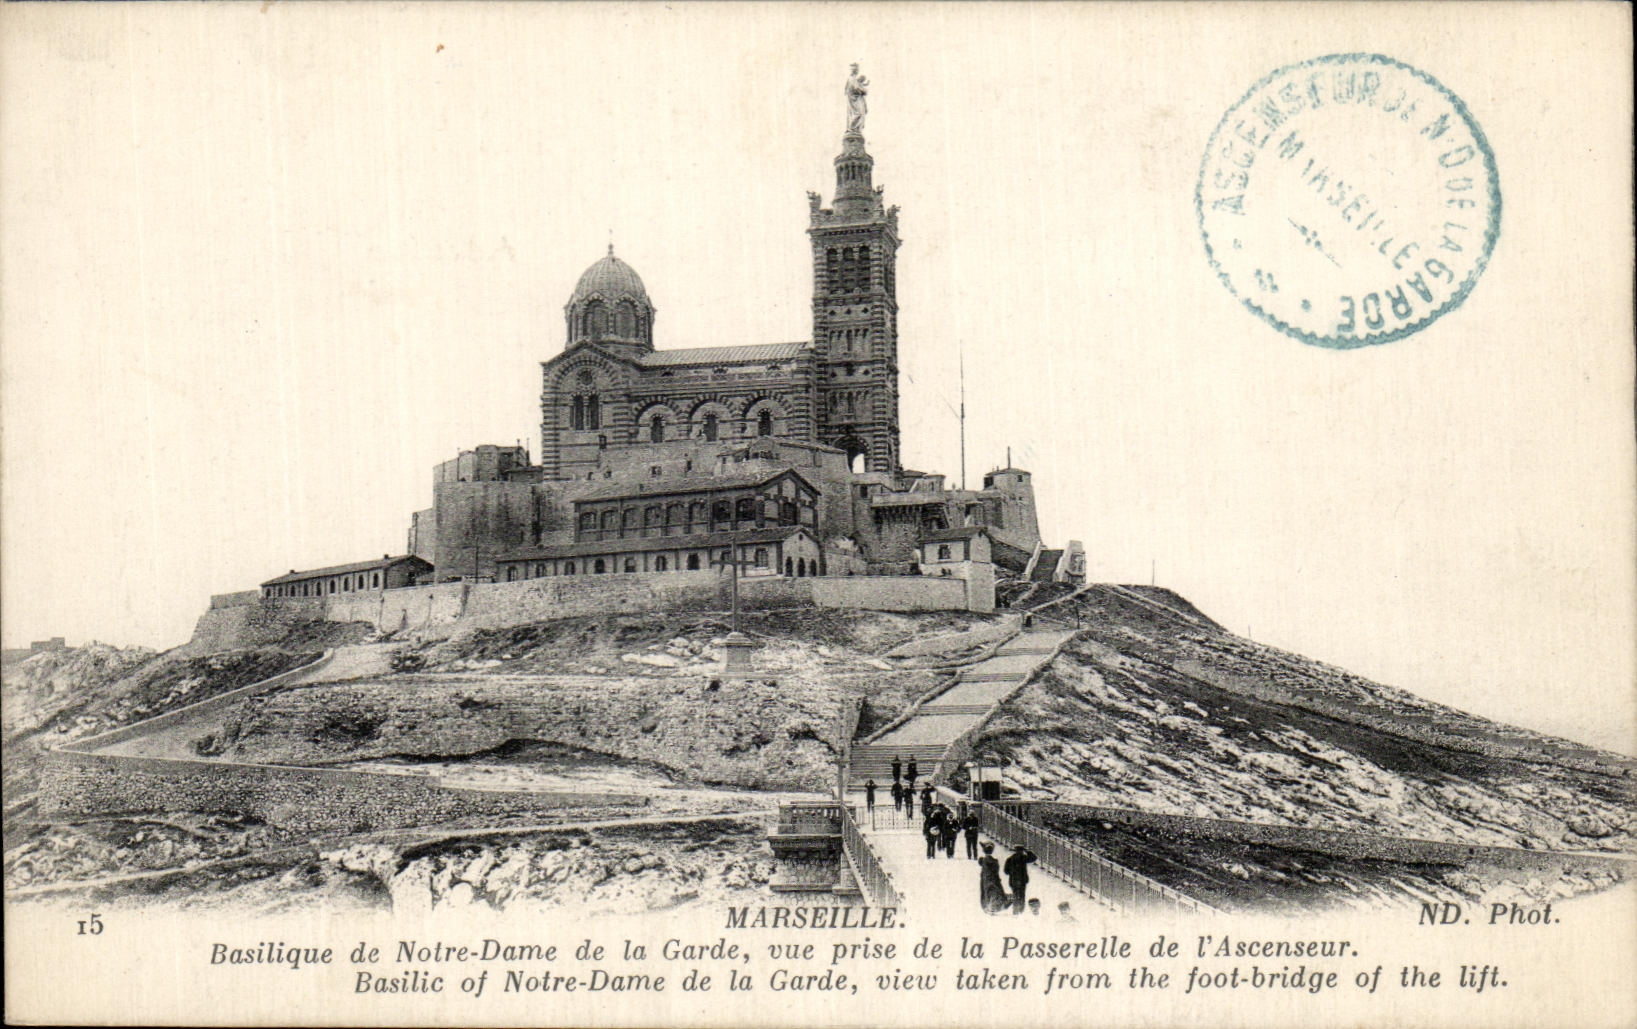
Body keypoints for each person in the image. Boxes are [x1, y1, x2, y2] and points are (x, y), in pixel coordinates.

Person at [1003, 846, 1037, 915]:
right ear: (1022, 851)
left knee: (1015, 896)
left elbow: (1006, 871)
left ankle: (1015, 911)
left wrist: (1012, 872)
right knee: (1022, 896)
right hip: (1022, 881)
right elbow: (1034, 858)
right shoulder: (1023, 858)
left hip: (1013, 881)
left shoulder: (1009, 859)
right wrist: (1027, 851)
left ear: (1015, 850)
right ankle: (1021, 911)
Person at [978, 843, 1008, 914]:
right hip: (992, 878)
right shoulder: (991, 860)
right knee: (993, 892)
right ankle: (992, 907)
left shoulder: (985, 860)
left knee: (988, 893)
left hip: (986, 879)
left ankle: (989, 907)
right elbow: (995, 870)